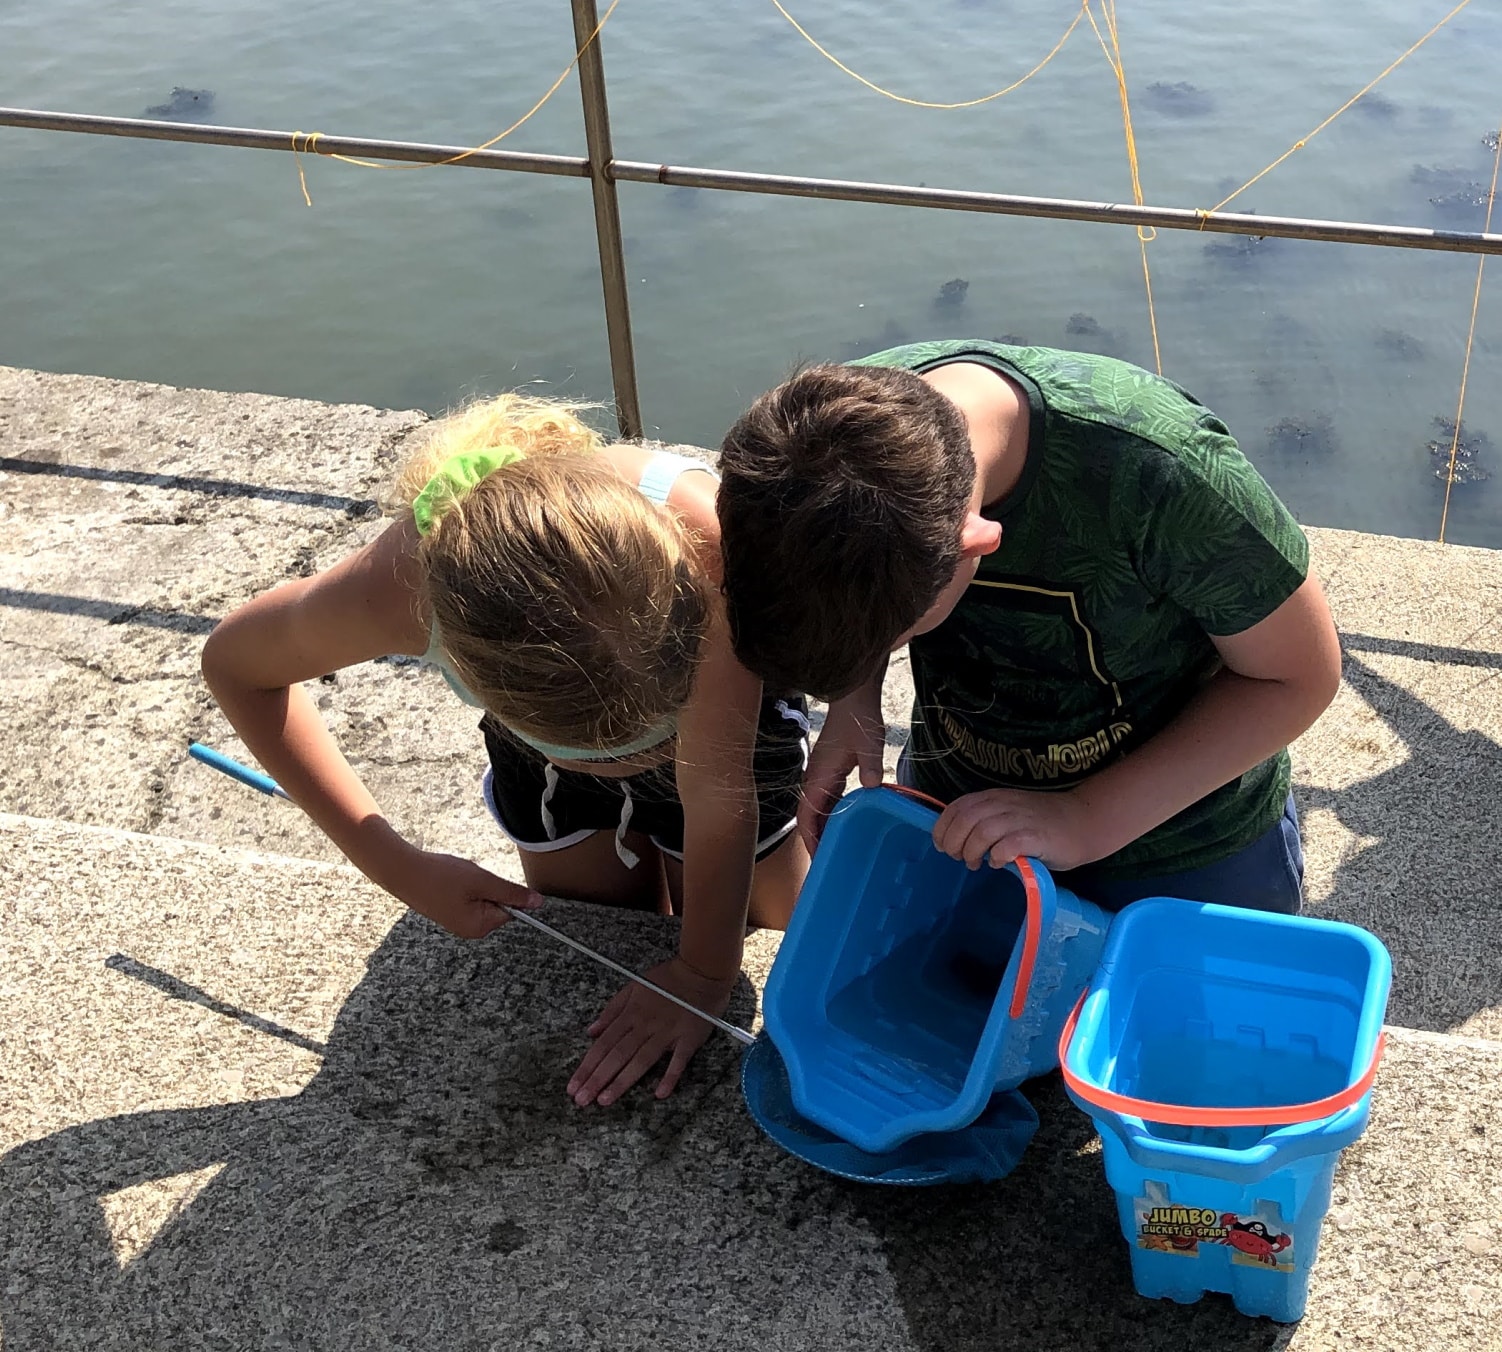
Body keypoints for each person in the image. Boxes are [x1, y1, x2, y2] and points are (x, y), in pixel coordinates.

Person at [202, 393, 809, 1105]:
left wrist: (704, 975)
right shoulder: (399, 590)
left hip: (730, 749)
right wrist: (392, 863)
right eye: (604, 758)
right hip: (540, 764)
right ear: (468, 669)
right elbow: (237, 667)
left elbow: (714, 791)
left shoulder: (711, 551)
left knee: (773, 919)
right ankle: (584, 791)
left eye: (638, 750)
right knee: (601, 926)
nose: (634, 769)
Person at [714, 339, 1343, 913]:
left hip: (1181, 843)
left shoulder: (1165, 473)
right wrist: (853, 701)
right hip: (962, 816)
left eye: (893, 641)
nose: (888, 649)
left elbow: (1299, 676)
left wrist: (1088, 817)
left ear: (976, 545)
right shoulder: (817, 440)